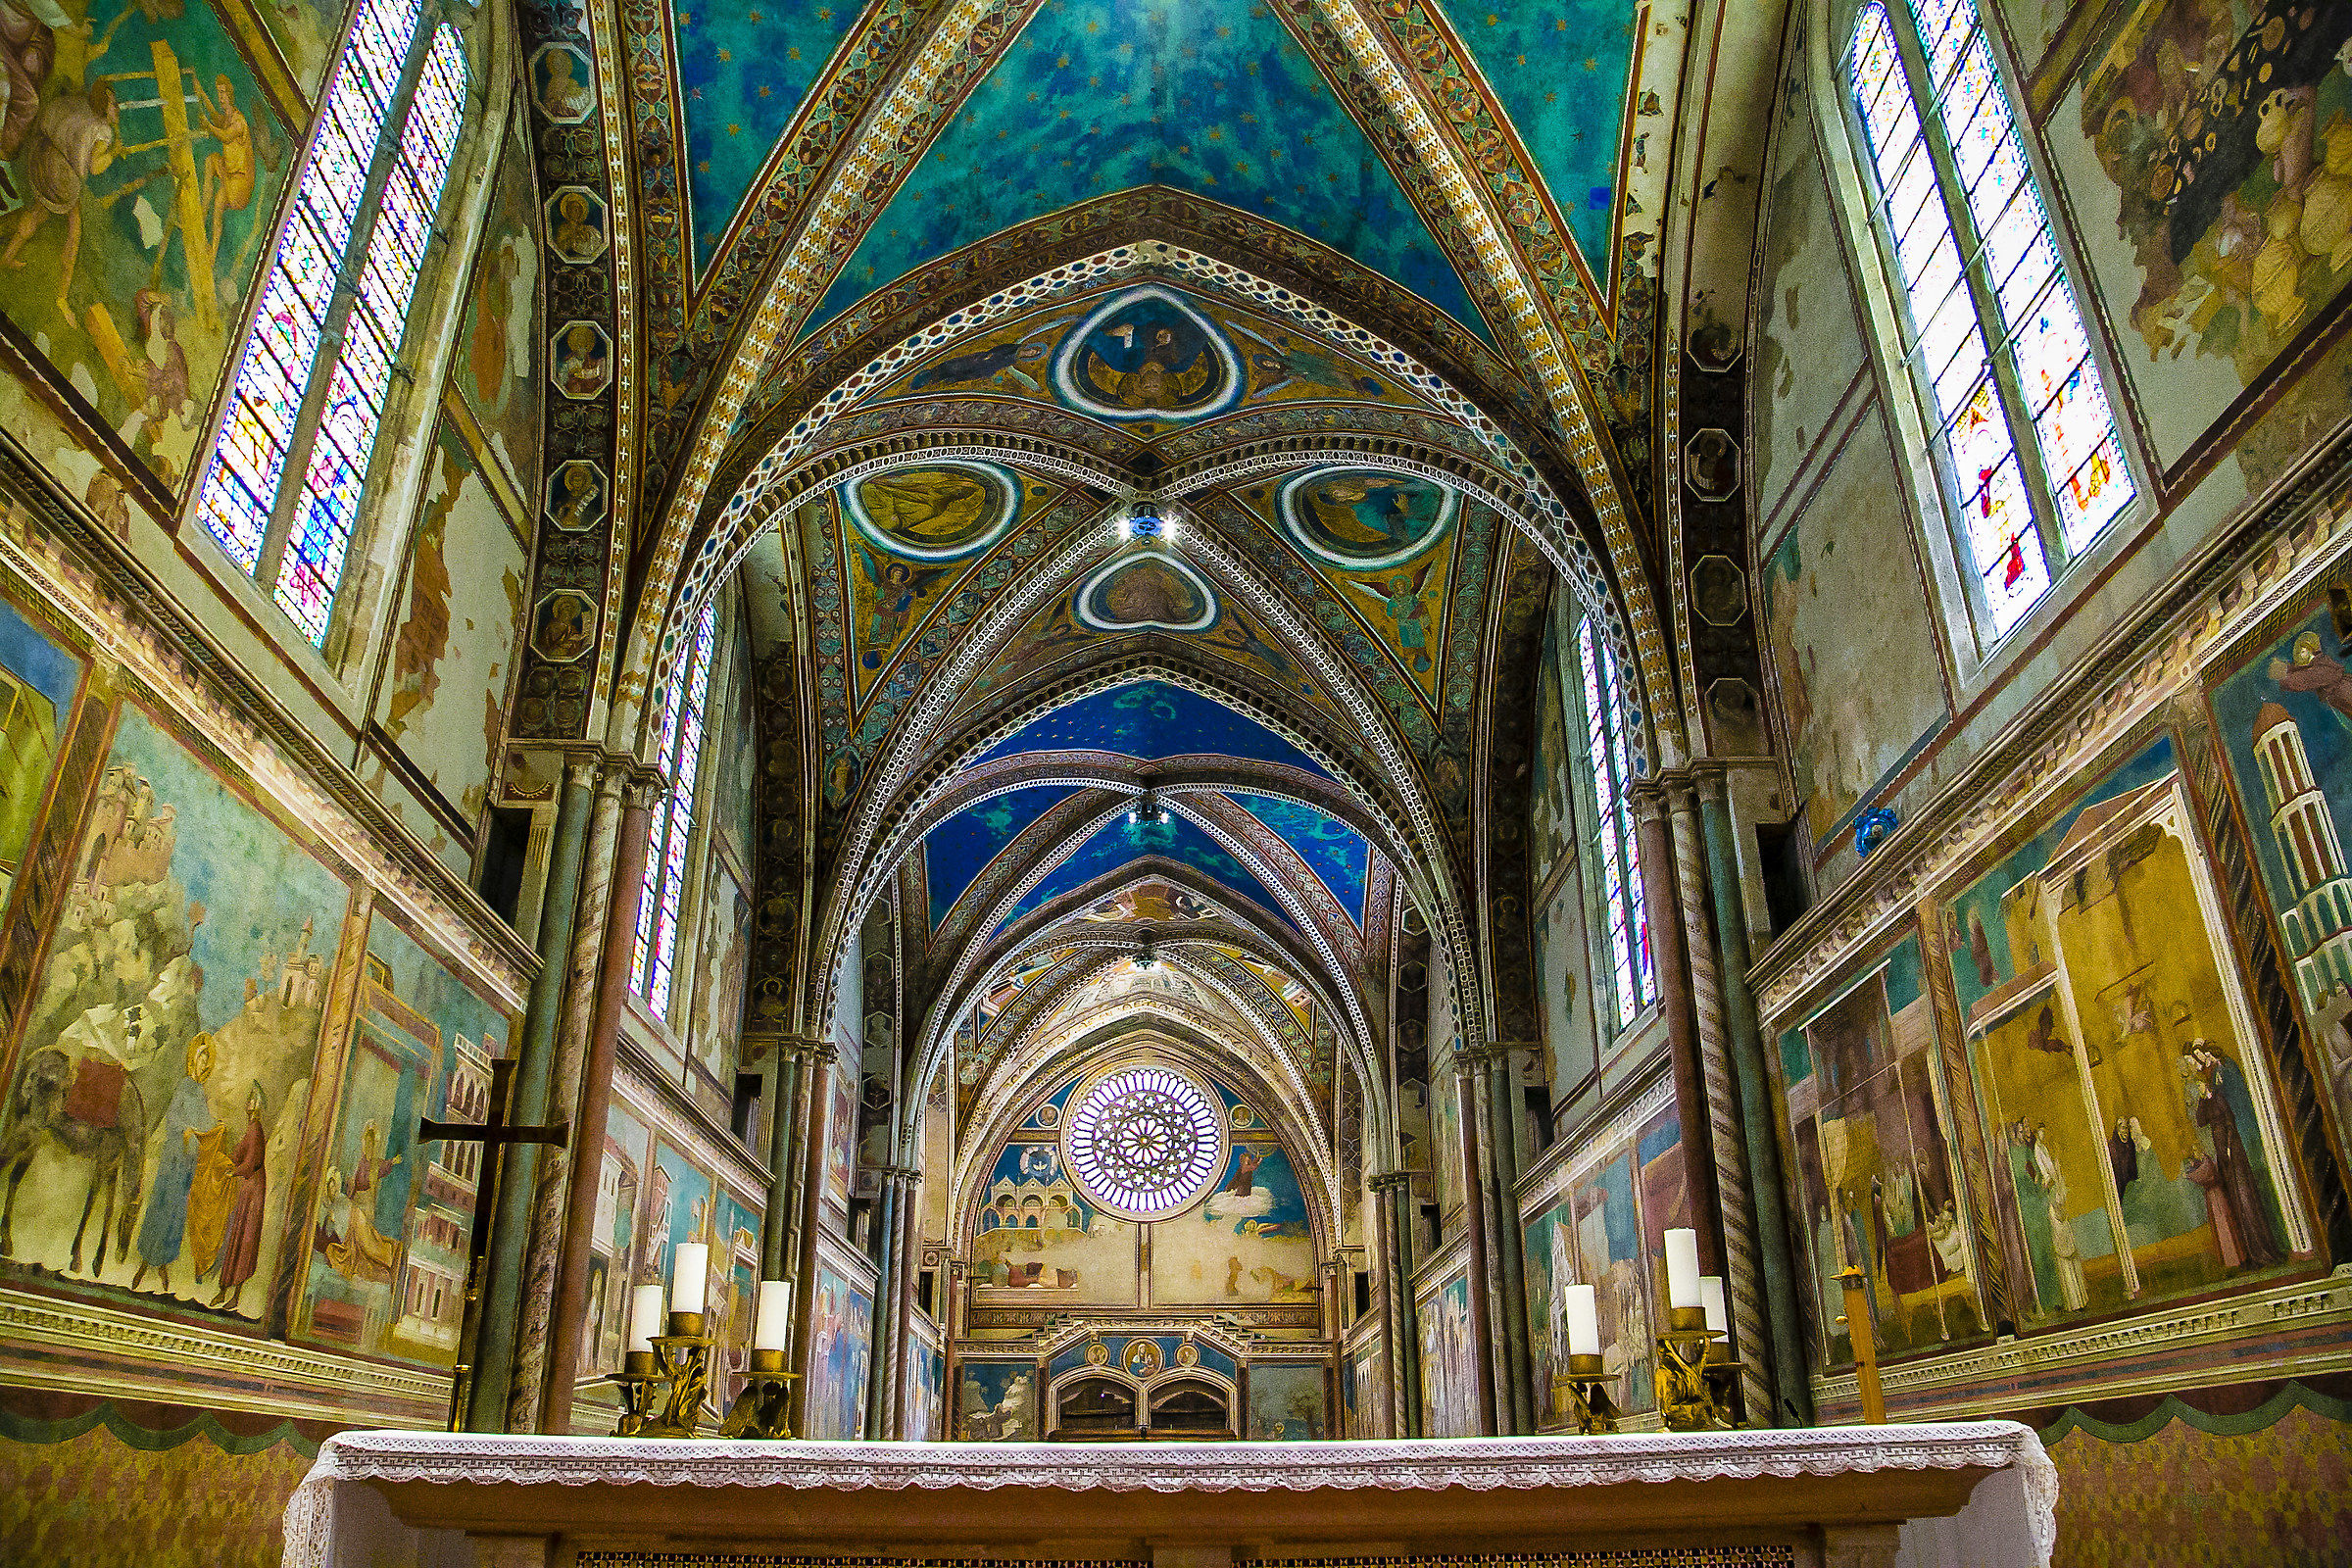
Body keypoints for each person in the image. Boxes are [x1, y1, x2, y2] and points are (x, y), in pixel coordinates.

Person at [131, 1034, 218, 1294]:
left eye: (206, 1060)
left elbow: (205, 1122)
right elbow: (173, 1119)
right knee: (161, 1205)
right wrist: (186, 1130)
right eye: (200, 1057)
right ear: (192, 1059)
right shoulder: (183, 1087)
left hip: (188, 1163)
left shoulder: (201, 1093)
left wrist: (215, 1128)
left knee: (176, 1214)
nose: (202, 1063)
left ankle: (164, 1264)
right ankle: (146, 1262)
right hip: (173, 1158)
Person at [208, 1084, 269, 1310]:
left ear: (257, 1106)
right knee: (236, 1236)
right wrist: (222, 1154)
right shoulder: (250, 1128)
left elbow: (251, 1162)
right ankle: (223, 1290)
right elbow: (239, 1152)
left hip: (254, 1190)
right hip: (248, 1188)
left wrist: (233, 1171)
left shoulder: (256, 1130)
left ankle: (236, 1295)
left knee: (245, 1241)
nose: (247, 1103)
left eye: (251, 1100)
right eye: (248, 1100)